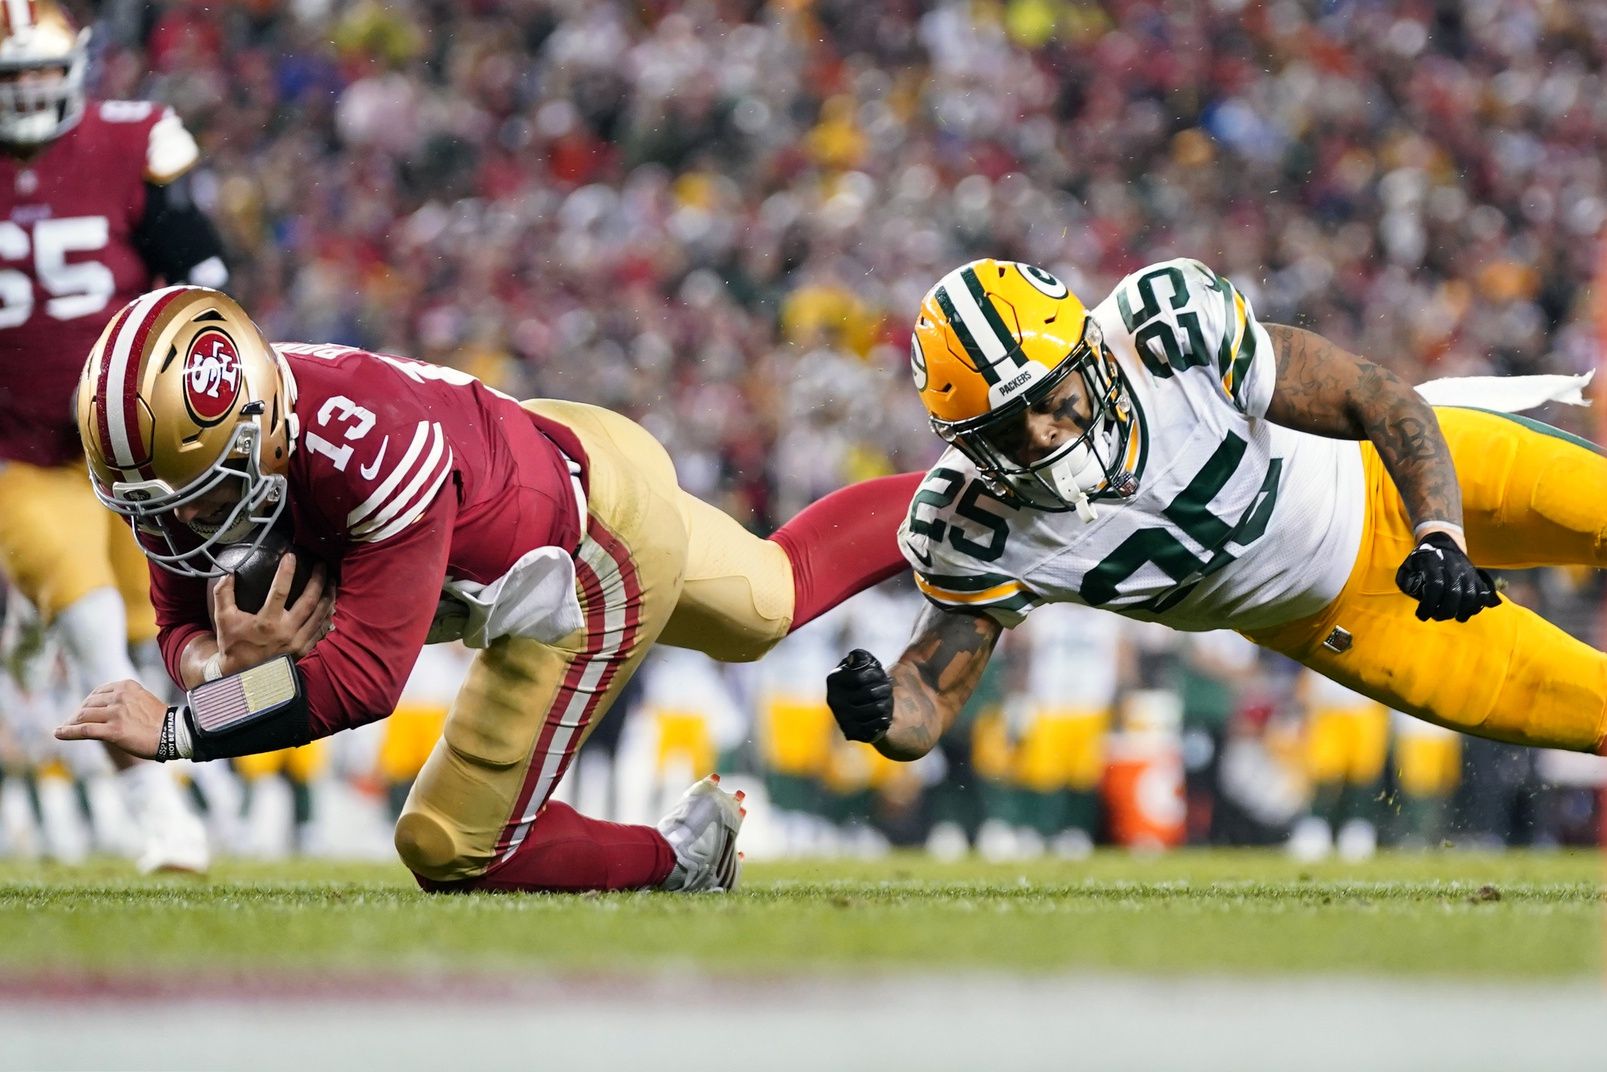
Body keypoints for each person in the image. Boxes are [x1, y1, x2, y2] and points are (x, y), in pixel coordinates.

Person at [56, 285, 919, 894]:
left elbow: (361, 684)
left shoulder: (368, 456)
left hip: (582, 557)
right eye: (156, 504)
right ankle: (953, 494)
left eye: (206, 490)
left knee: (454, 848)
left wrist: (178, 731)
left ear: (265, 429)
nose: (184, 525)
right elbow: (179, 613)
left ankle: (685, 856)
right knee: (768, 599)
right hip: (556, 448)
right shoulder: (197, 448)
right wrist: (215, 666)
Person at [825, 256, 1607, 770]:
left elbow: (1374, 395)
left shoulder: (1163, 333)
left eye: (1047, 400)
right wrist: (880, 711)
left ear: (1087, 354)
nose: (1038, 435)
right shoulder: (969, 524)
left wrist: (1438, 530)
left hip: (1390, 477)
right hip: (1344, 619)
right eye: (1001, 429)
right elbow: (927, 700)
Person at [0, 0, 227, 872]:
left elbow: (205, 272)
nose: (25, 95)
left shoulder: (128, 142)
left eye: (36, 72)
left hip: (128, 447)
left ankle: (177, 771)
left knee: (146, 629)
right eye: (8, 76)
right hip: (20, 453)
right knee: (91, 618)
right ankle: (155, 810)